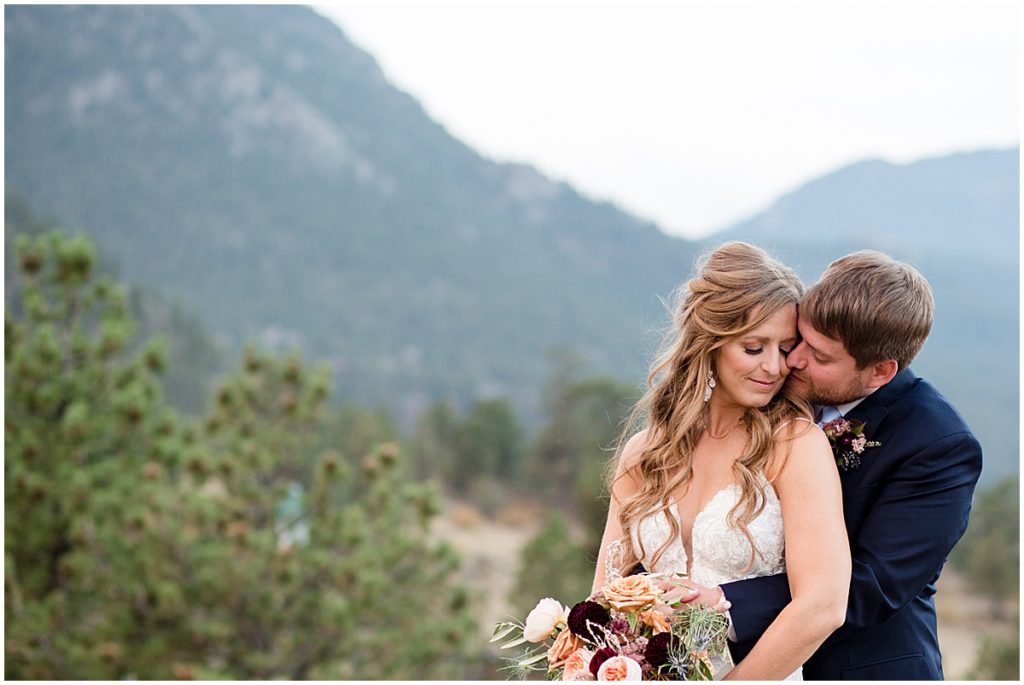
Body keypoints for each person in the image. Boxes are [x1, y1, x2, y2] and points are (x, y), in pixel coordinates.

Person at [708, 250, 983, 679]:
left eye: (820, 357)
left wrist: (722, 603)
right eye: (798, 339)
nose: (793, 361)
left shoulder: (939, 445)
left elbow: (873, 586)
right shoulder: (774, 386)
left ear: (880, 373)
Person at [593, 241, 851, 680]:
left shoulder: (796, 445)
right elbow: (605, 595)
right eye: (754, 348)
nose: (774, 366)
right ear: (710, 343)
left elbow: (823, 604)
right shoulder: (647, 450)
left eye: (784, 348)